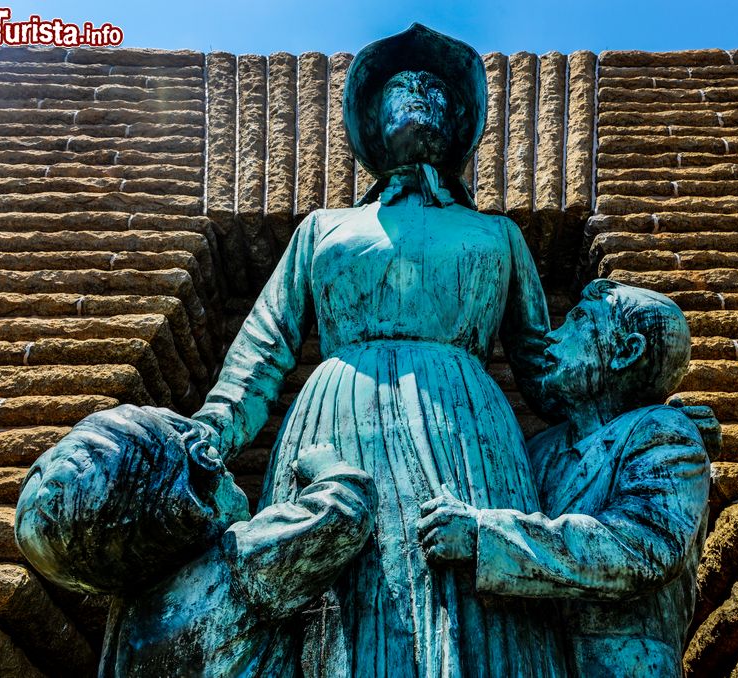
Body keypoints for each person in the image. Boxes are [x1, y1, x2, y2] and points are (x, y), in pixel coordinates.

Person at [157, 23, 567, 676]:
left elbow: (546, 369)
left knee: (468, 610)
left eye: (433, 84)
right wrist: (212, 429)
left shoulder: (498, 234)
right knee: (336, 603)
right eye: (399, 85)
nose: (417, 92)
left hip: (467, 426)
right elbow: (264, 347)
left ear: (460, 116)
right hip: (339, 415)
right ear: (371, 117)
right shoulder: (324, 228)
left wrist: (631, 412)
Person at [418, 279, 711, 677]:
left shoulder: (661, 432)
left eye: (578, 322)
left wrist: (485, 535)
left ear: (626, 352)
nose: (553, 338)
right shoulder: (539, 452)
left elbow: (643, 547)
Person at [15, 405, 376, 677]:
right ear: (198, 495)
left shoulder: (124, 626)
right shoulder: (237, 564)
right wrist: (329, 469)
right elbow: (341, 517)